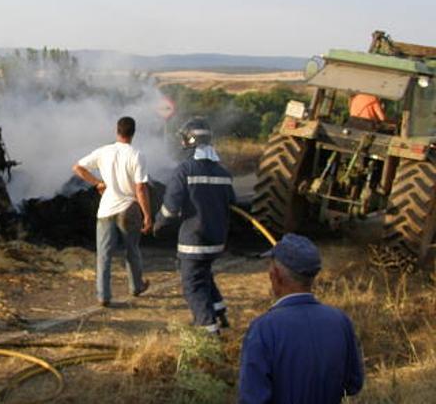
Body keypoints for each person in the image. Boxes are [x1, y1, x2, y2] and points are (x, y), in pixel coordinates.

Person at [238, 233, 364, 403]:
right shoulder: (340, 321)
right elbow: (353, 384)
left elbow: (252, 397)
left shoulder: (263, 328)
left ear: (275, 275)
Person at [154, 117, 234, 334]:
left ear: (190, 141)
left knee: (193, 285)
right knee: (205, 274)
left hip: (194, 240)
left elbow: (170, 209)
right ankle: (220, 314)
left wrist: (158, 224)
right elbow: (231, 203)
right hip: (216, 240)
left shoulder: (184, 170)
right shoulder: (223, 173)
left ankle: (208, 330)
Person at [73, 116, 152, 307]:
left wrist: (98, 183)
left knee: (104, 254)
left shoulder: (104, 151)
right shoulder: (136, 154)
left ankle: (103, 296)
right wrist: (148, 215)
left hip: (105, 210)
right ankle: (136, 286)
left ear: (117, 131)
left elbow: (77, 167)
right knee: (132, 250)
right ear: (133, 133)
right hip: (129, 209)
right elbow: (140, 188)